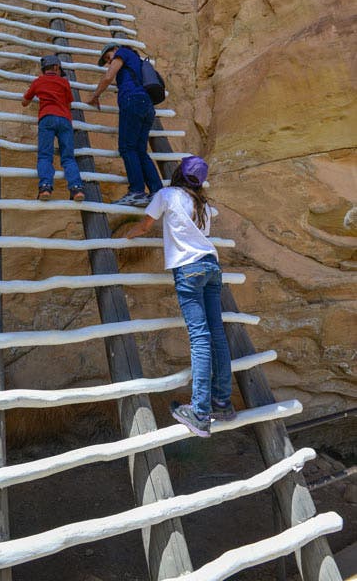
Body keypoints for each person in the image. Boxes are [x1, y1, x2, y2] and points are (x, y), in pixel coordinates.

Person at [126, 156, 236, 438]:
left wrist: (128, 235)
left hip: (188, 269)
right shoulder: (203, 205)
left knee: (199, 337)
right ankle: (222, 402)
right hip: (212, 266)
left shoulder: (167, 195)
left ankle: (200, 412)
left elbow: (145, 225)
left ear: (178, 173)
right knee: (216, 334)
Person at [87, 42, 163, 206]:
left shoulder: (122, 53)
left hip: (133, 101)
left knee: (127, 148)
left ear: (115, 49)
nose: (109, 61)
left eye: (109, 57)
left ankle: (136, 191)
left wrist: (95, 95)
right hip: (147, 104)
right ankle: (157, 191)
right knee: (140, 151)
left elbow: (108, 76)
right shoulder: (136, 60)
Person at [22, 54, 85, 202]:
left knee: (45, 155)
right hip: (64, 120)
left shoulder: (38, 81)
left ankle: (45, 188)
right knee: (68, 158)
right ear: (56, 67)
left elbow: (24, 102)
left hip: (46, 118)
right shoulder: (64, 82)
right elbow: (69, 104)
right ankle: (76, 189)